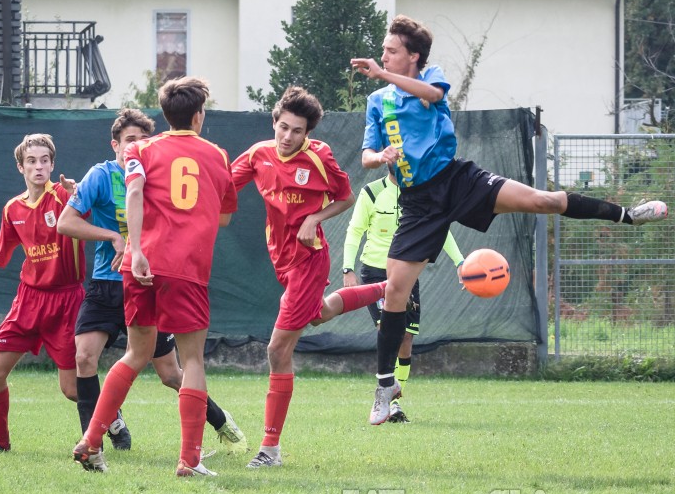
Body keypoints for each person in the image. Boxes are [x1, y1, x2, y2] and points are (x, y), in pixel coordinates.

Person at [351, 14, 669, 425]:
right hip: (418, 204)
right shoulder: (378, 102)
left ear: (412, 56)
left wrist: (384, 75)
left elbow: (431, 94)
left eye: (390, 51)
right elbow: (365, 156)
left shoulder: (430, 76)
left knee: (542, 200)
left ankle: (628, 215)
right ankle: (383, 388)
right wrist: (382, 157)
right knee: (394, 292)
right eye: (382, 52)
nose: (382, 57)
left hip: (457, 180)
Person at [57, 108, 247, 457]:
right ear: (116, 144)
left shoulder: (156, 164)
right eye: (131, 140)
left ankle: (219, 420)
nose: (139, 145)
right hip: (111, 283)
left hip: (147, 272)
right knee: (85, 359)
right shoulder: (102, 175)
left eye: (143, 138)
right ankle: (99, 436)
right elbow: (65, 222)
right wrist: (115, 237)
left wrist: (136, 246)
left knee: (170, 373)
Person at [231, 86, 390, 468]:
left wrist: (315, 218)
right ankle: (389, 288)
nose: (287, 137)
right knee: (318, 313)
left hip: (309, 259)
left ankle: (270, 449)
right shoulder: (259, 154)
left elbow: (346, 196)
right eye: (282, 127)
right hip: (280, 258)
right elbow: (220, 185)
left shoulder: (319, 158)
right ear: (274, 122)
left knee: (277, 350)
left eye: (296, 131)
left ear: (308, 134)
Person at [0, 133, 86, 452]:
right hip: (28, 300)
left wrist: (79, 197)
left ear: (52, 165)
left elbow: (88, 218)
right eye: (31, 161)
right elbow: (0, 252)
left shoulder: (65, 198)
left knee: (70, 389)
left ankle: (111, 416)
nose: (38, 167)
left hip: (67, 300)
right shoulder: (13, 209)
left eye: (44, 161)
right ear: (20, 167)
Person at [342, 164, 465, 423]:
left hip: (407, 271)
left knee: (407, 337)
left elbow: (440, 230)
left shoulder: (422, 193)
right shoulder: (372, 192)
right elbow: (355, 230)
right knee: (386, 331)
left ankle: (395, 402)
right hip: (375, 273)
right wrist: (347, 268)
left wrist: (461, 263)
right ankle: (385, 396)